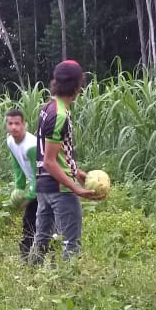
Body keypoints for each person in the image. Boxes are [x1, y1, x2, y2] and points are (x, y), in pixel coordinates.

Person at [29, 60, 100, 262]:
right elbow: (51, 161)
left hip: (44, 185)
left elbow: (57, 153)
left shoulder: (48, 108)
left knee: (41, 238)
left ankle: (31, 277)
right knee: (71, 242)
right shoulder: (59, 114)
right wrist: (75, 188)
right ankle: (69, 284)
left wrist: (76, 171)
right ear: (78, 86)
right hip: (59, 188)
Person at [5, 108, 38, 258]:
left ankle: (33, 256)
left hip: (46, 184)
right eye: (10, 123)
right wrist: (19, 188)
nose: (14, 127)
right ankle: (27, 255)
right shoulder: (10, 141)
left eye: (17, 123)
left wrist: (28, 198)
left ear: (24, 124)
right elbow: (17, 165)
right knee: (30, 222)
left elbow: (40, 175)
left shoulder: (31, 146)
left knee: (36, 219)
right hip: (35, 184)